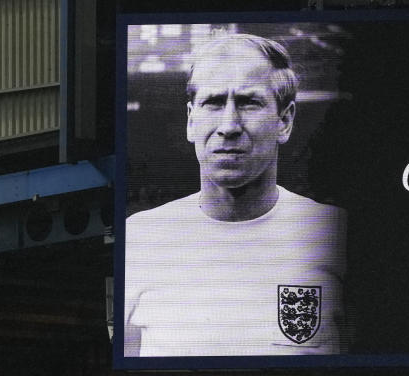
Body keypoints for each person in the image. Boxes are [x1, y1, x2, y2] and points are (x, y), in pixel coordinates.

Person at [124, 33, 347, 357]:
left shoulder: (337, 233)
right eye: (213, 102)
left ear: (284, 121)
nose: (229, 125)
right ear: (191, 120)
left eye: (249, 102)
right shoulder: (139, 238)